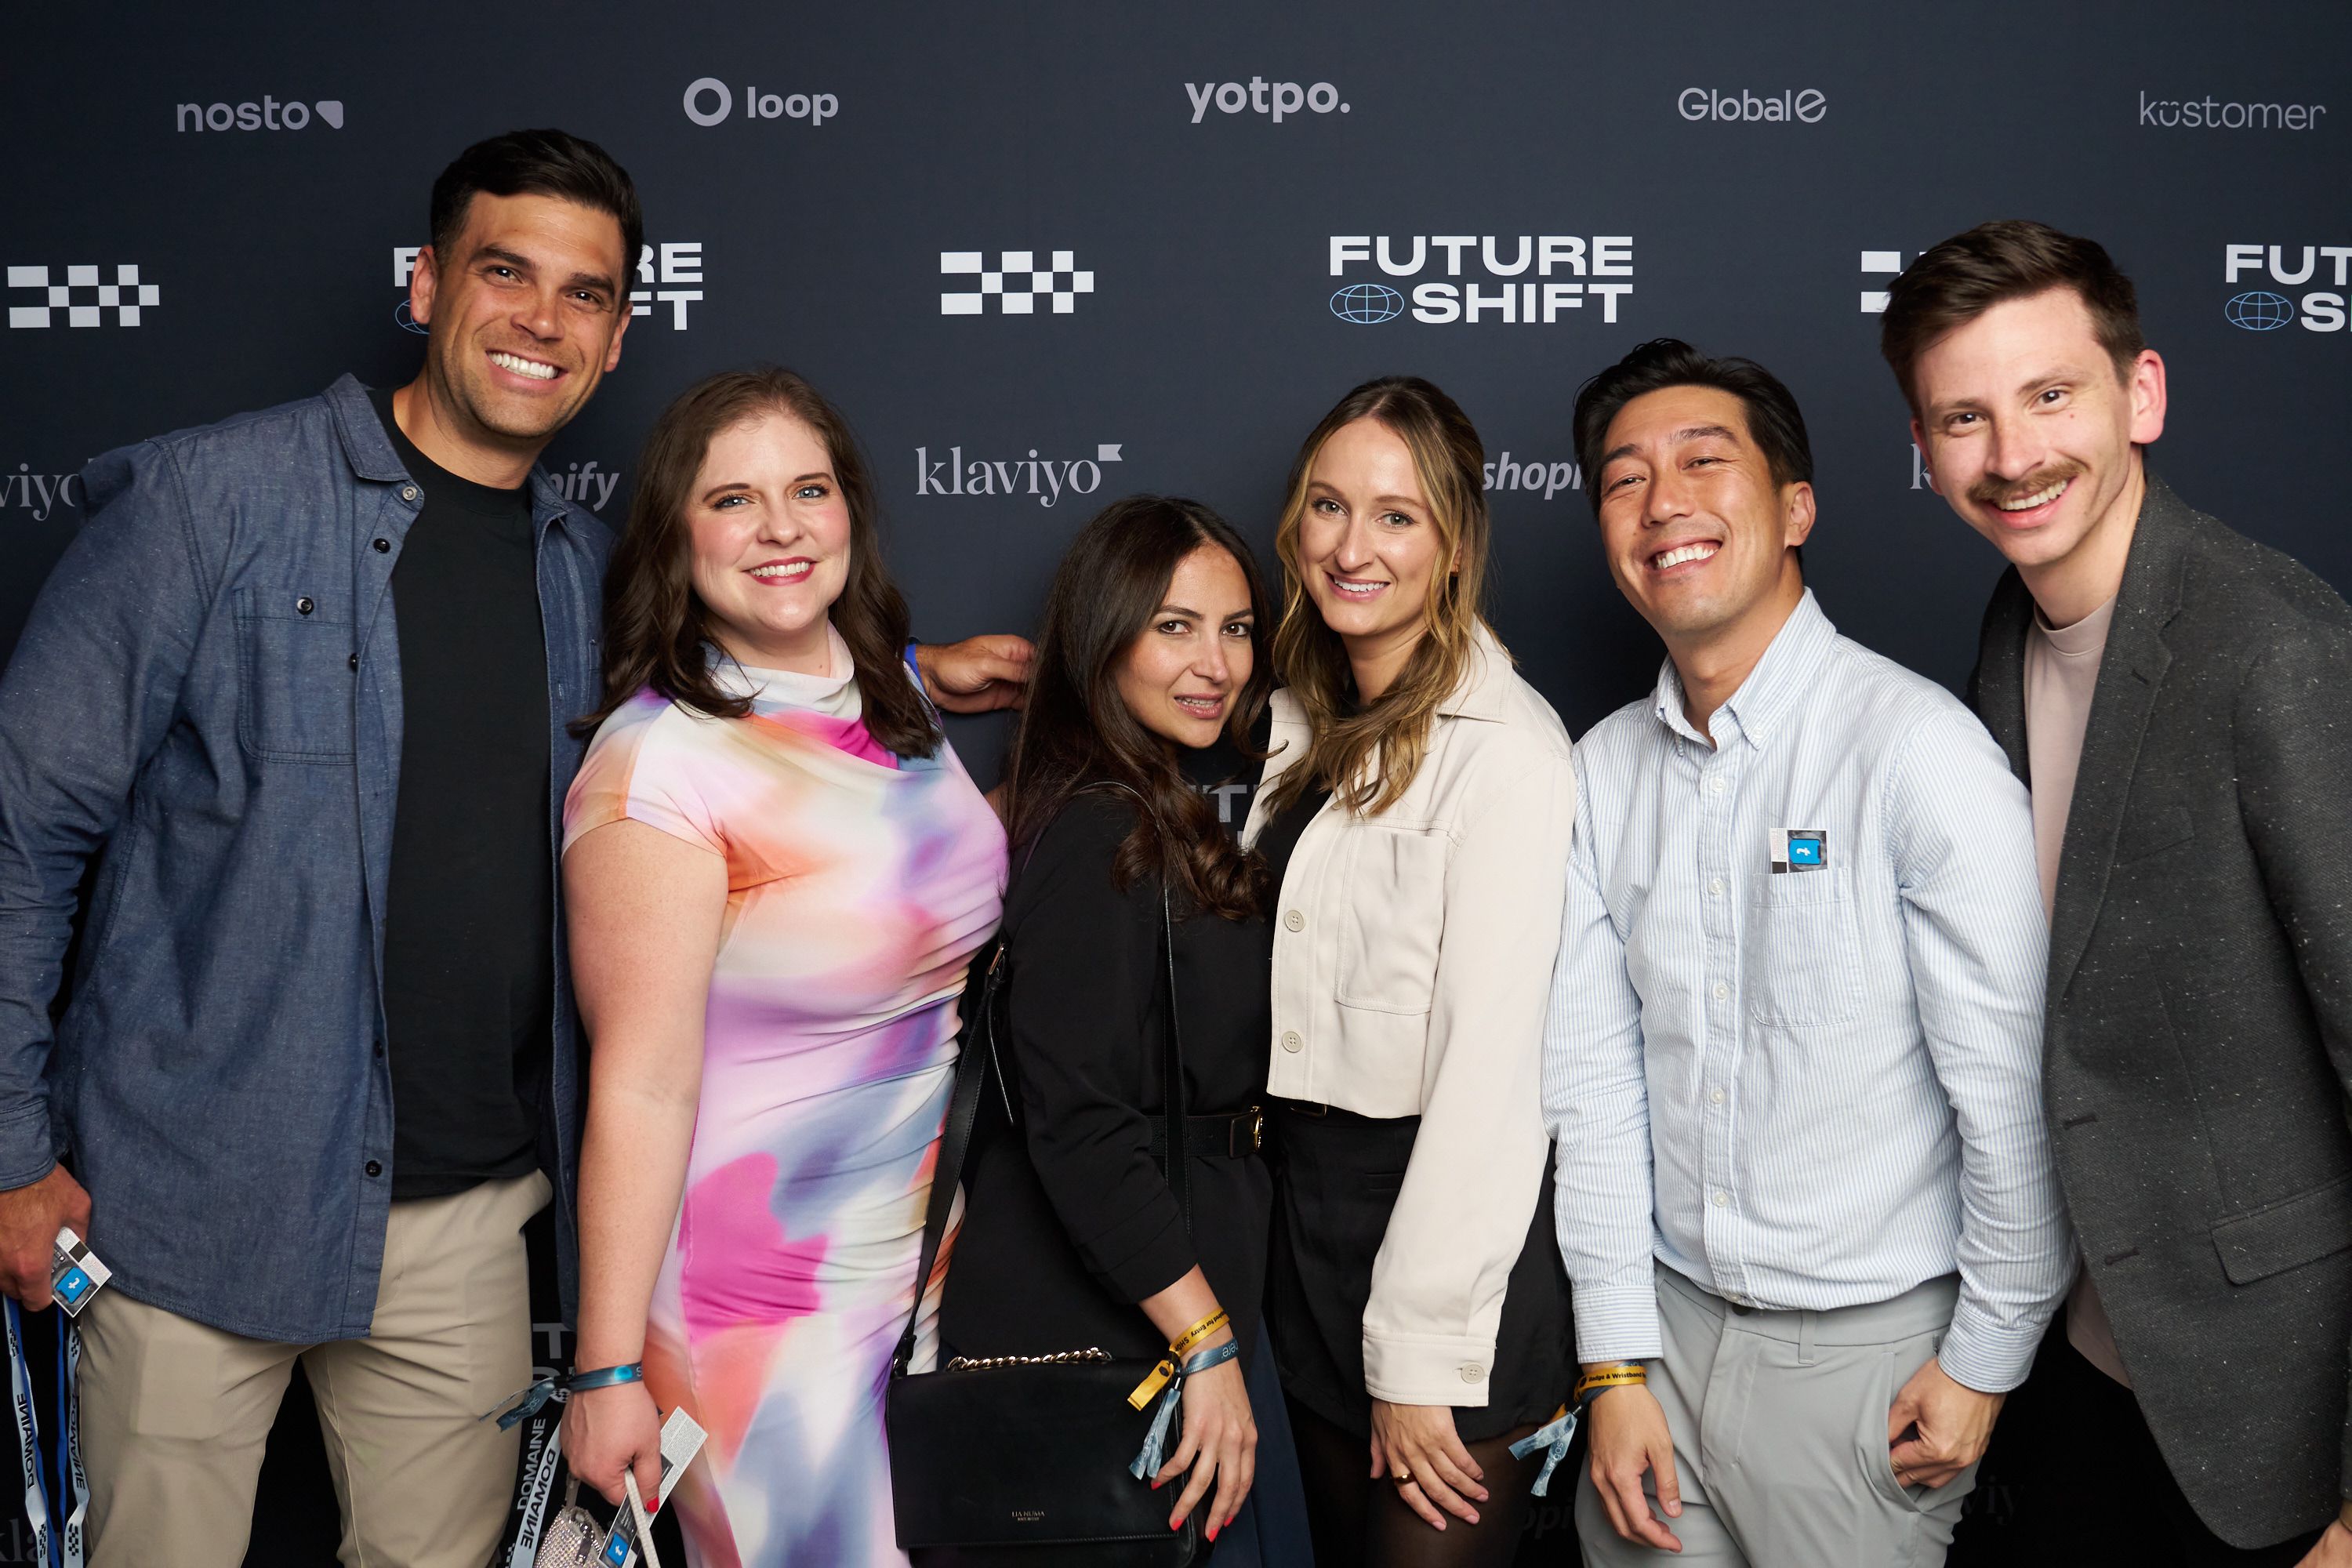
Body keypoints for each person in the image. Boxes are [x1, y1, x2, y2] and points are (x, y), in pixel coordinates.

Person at [0, 131, 1026, 1568]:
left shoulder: (575, 566)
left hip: (470, 1224)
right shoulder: (210, 505)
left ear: (616, 340)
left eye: (587, 294)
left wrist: (906, 666)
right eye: (505, 272)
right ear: (424, 286)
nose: (542, 319)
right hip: (192, 1202)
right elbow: (22, 828)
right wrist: (9, 1154)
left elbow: (733, 664)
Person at [1545, 339, 2070, 1566]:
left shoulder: (1914, 751)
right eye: (1624, 480)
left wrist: (1986, 1359)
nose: (1663, 502)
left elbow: (2009, 1093)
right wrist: (1615, 1363)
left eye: (1704, 463)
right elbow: (1596, 1091)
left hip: (1869, 1368)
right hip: (1658, 1357)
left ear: (1796, 508)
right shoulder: (1598, 773)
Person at [1882, 220, 2352, 1567]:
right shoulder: (2006, 625)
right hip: (2077, 1374)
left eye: (2049, 395)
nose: (2012, 456)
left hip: (2269, 1421)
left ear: (2140, 394)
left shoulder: (2278, 654)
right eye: (1963, 417)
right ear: (1924, 447)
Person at [557, 367, 1009, 1565]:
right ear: (675, 536)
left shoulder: (891, 694)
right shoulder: (659, 764)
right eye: (734, 500)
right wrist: (604, 1369)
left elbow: (889, 884)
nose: (780, 527)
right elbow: (640, 1084)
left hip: (907, 1276)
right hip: (753, 1308)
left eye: (809, 489)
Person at [1243, 376, 1577, 1566]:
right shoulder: (1297, 723)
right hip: (1308, 1244)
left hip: (1446, 1258)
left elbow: (1496, 1084)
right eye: (1328, 507)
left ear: (1452, 545)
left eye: (1395, 516)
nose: (1351, 546)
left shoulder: (1511, 756)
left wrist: (1423, 1357)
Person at [937, 495, 1277, 1553]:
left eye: (1235, 628)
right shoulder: (1096, 827)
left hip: (1153, 1304)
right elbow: (1079, 1124)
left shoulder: (1146, 808)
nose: (1214, 662)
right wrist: (1205, 1343)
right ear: (1102, 638)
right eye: (1174, 626)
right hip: (1102, 1326)